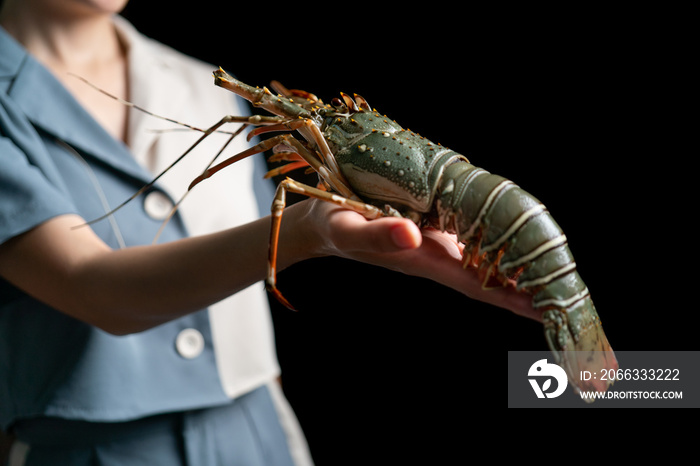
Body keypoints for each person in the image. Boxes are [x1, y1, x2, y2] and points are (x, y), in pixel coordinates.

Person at [0, 0, 536, 464]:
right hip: (85, 450)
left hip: (256, 430)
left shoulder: (201, 82)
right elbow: (95, 288)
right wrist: (309, 232)